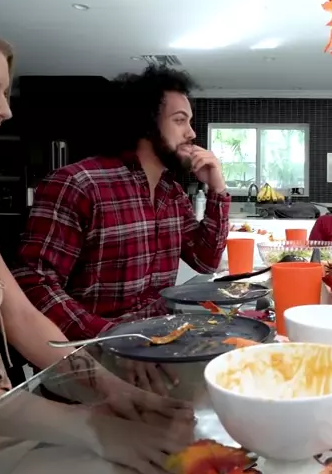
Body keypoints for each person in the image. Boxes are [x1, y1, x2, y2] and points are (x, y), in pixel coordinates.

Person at [0, 0, 193, 472]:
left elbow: (25, 321)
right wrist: (92, 426)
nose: (5, 110)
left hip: (3, 440)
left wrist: (111, 389)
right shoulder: (81, 183)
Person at [14, 66, 231, 340]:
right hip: (93, 351)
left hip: (159, 341)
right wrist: (107, 338)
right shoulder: (79, 184)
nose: (191, 133)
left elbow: (206, 261)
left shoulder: (172, 193)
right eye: (179, 120)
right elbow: (34, 283)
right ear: (147, 125)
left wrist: (217, 189)